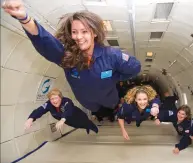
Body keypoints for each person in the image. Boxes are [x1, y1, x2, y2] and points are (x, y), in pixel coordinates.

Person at [2, 0, 141, 123]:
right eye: (74, 32)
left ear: (94, 33)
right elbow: (46, 42)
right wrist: (24, 18)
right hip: (89, 104)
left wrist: (115, 77)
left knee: (112, 109)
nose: (78, 37)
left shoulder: (111, 55)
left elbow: (135, 68)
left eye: (84, 31)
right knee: (99, 112)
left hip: (110, 100)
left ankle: (116, 113)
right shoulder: (67, 57)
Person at [25, 89, 98, 134]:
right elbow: (40, 110)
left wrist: (62, 120)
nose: (54, 101)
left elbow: (68, 109)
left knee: (86, 123)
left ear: (60, 97)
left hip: (79, 116)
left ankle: (93, 128)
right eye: (52, 99)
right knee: (79, 126)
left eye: (56, 98)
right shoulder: (49, 104)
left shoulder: (67, 101)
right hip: (70, 122)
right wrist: (31, 118)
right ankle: (87, 128)